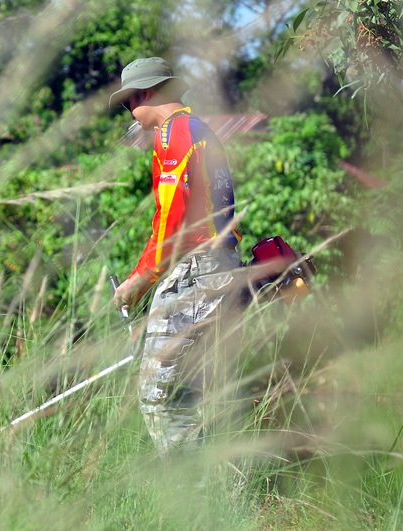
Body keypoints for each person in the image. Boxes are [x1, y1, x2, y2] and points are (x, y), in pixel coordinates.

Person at [109, 57, 243, 457]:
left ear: (145, 93)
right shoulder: (202, 130)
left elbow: (171, 224)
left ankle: (189, 495)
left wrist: (138, 280)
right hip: (221, 269)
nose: (130, 113)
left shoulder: (172, 134)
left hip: (197, 272)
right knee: (195, 393)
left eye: (128, 103)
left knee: (157, 396)